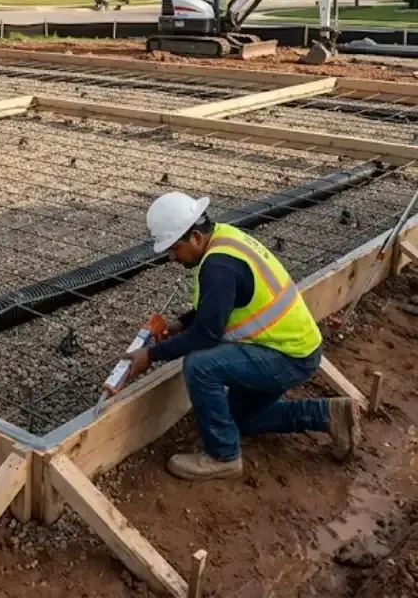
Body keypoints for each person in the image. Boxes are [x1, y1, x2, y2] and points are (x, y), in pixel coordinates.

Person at [125, 191, 361, 482]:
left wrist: (150, 355)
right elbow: (219, 307)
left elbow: (207, 335)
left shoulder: (218, 267)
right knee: (242, 419)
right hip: (292, 347)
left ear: (196, 238)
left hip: (286, 356)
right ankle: (326, 414)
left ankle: (222, 456)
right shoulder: (225, 239)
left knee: (200, 366)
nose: (173, 257)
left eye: (174, 248)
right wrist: (178, 324)